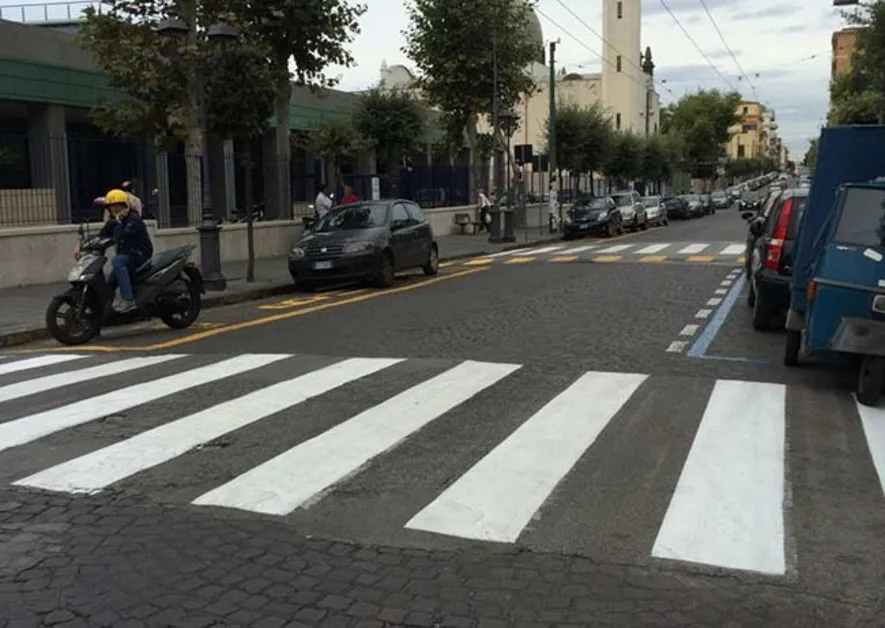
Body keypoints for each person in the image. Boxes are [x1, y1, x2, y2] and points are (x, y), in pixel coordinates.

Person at [100, 189, 154, 313]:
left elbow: (121, 235)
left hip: (140, 254)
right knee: (110, 282)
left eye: (118, 206)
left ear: (125, 206)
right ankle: (106, 312)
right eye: (112, 207)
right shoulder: (115, 221)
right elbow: (102, 235)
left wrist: (118, 222)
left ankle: (128, 300)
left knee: (117, 261)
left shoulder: (133, 219)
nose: (115, 210)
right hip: (127, 256)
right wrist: (82, 246)